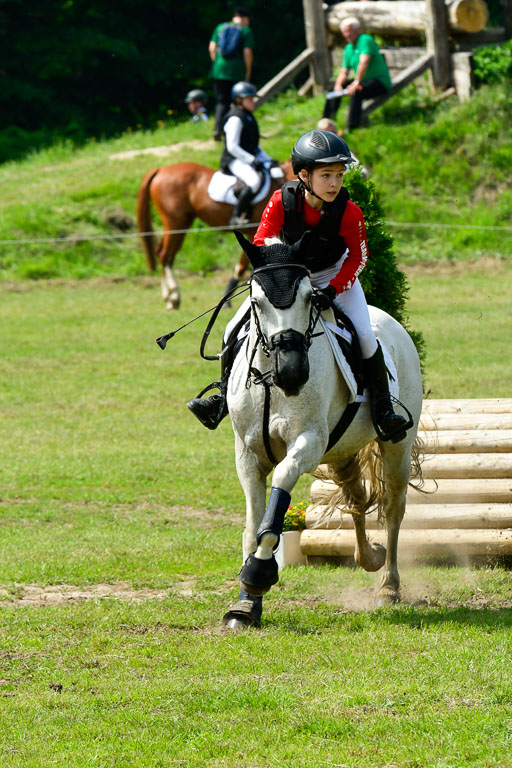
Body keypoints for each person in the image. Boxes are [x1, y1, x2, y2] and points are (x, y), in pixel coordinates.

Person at [187, 129, 411, 443]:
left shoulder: (348, 212)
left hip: (337, 279)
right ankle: (223, 398)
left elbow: (358, 258)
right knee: (233, 327)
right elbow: (262, 241)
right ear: (304, 175)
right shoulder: (281, 200)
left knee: (364, 334)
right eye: (327, 175)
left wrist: (332, 290)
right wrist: (280, 276)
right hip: (292, 278)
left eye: (339, 175)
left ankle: (384, 409)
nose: (335, 183)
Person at [323, 17, 392, 131]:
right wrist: (338, 85)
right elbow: (344, 71)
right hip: (362, 81)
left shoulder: (365, 40)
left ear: (358, 30)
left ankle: (352, 127)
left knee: (356, 91)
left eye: (350, 30)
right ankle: (326, 124)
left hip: (379, 81)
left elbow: (364, 62)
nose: (348, 34)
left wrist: (356, 82)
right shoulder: (348, 48)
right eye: (345, 31)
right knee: (332, 91)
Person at [220, 81, 272, 227]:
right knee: (254, 181)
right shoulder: (235, 118)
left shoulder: (248, 116)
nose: (253, 102)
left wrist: (268, 160)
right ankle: (237, 215)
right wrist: (252, 160)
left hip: (247, 157)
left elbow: (254, 145)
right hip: (234, 159)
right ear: (239, 100)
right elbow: (232, 146)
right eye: (249, 99)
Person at [209, 7, 254, 141]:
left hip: (218, 70)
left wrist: (216, 63)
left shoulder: (220, 27)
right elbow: (247, 53)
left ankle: (217, 129)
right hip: (237, 71)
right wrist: (248, 71)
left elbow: (211, 48)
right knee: (237, 103)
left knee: (221, 102)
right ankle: (234, 131)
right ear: (245, 18)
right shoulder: (246, 30)